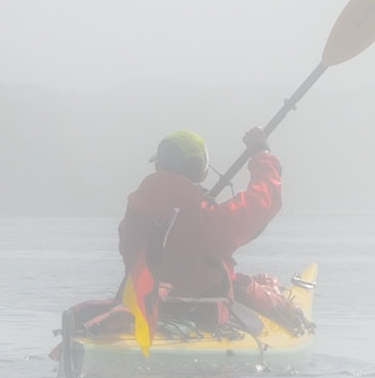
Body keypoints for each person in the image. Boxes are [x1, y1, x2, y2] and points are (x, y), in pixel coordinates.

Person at [107, 127, 300, 330]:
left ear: (158, 166)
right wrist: (262, 153)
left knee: (240, 283)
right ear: (201, 170)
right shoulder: (205, 218)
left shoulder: (136, 210)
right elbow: (263, 202)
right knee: (243, 286)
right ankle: (285, 307)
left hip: (146, 303)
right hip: (201, 313)